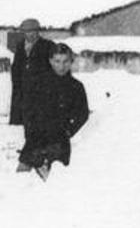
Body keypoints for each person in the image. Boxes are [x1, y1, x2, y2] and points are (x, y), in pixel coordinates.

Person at [17, 43, 88, 179]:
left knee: (54, 181)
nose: (61, 66)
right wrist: (30, 132)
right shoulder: (38, 83)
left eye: (65, 61)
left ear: (71, 61)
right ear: (50, 61)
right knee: (21, 179)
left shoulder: (76, 87)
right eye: (57, 61)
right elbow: (27, 109)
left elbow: (82, 114)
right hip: (36, 139)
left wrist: (68, 131)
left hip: (59, 142)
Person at [9, 18, 56, 126]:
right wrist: (17, 81)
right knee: (23, 121)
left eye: (32, 31)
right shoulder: (20, 46)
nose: (30, 35)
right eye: (26, 32)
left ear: (38, 32)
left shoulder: (48, 46)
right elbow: (16, 66)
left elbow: (53, 67)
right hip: (23, 90)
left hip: (40, 90)